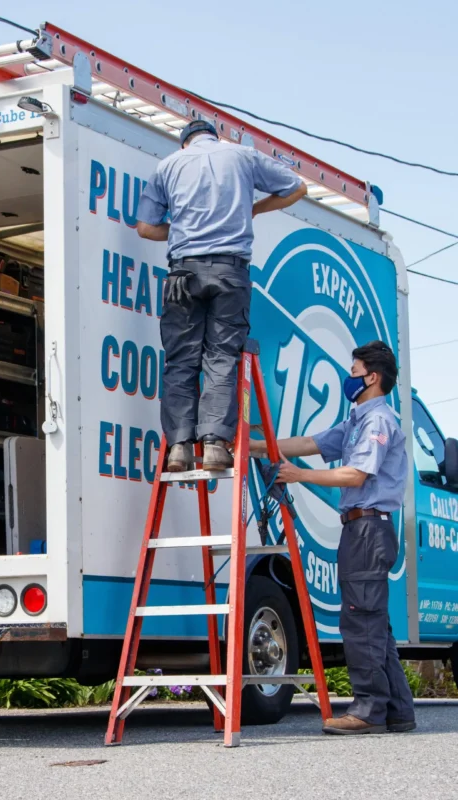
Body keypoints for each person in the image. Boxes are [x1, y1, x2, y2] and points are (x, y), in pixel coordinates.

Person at [250, 340, 416, 735]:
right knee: (375, 622)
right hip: (363, 528)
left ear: (372, 378)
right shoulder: (357, 420)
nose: (350, 377)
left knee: (360, 622)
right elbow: (311, 443)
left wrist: (299, 475)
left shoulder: (378, 422)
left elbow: (355, 475)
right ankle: (397, 709)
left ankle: (367, 711)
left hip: (368, 529)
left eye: (354, 372)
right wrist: (256, 446)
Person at [136, 119, 307, 472]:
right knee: (221, 357)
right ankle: (215, 445)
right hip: (230, 272)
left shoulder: (167, 166)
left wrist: (182, 227)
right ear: (217, 137)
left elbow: (146, 227)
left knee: (181, 361)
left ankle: (179, 447)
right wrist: (254, 209)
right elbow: (297, 188)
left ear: (185, 143)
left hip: (183, 273)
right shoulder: (242, 156)